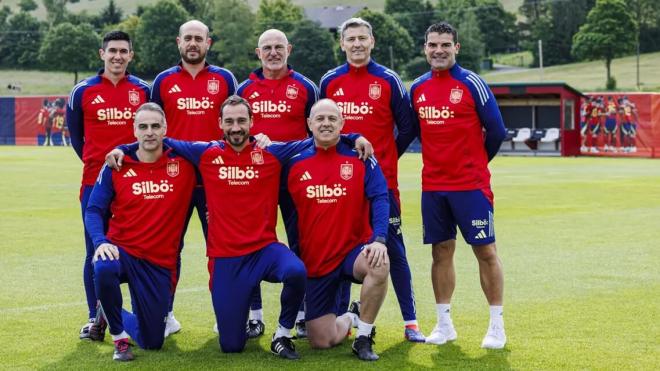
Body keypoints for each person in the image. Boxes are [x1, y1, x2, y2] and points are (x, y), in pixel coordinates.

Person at [318, 17, 423, 342]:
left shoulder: (388, 79)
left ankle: (411, 322)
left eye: (363, 38)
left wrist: (384, 159)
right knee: (338, 248)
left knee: (393, 250)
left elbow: (407, 129)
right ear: (342, 44)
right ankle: (340, 317)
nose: (357, 44)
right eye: (351, 39)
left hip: (382, 185)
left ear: (372, 41)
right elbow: (323, 126)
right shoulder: (330, 81)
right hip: (339, 185)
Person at [409, 22, 507, 349]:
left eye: (445, 45)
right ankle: (444, 324)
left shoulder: (471, 83)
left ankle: (496, 325)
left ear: (456, 48)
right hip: (433, 187)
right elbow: (410, 133)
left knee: (485, 251)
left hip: (471, 186)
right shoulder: (418, 88)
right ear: (425, 48)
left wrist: (477, 164)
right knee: (441, 252)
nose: (439, 50)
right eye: (433, 44)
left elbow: (496, 131)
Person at [269, 98, 391, 361]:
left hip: (353, 251)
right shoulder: (292, 159)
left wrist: (379, 239)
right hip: (316, 259)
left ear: (342, 124)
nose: (326, 123)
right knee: (321, 341)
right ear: (309, 124)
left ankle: (364, 337)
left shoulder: (360, 155)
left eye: (332, 119)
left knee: (379, 263)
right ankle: (351, 316)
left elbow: (380, 196)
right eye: (320, 119)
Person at [84, 103, 195, 361]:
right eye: (143, 126)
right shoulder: (116, 165)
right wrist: (100, 242)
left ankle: (107, 309)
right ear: (134, 130)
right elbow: (93, 210)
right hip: (122, 251)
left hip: (157, 263)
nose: (149, 132)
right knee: (103, 266)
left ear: (165, 128)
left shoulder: (185, 165)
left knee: (152, 341)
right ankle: (120, 339)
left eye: (155, 126)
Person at [150, 20, 238, 335]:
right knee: (167, 248)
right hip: (173, 180)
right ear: (178, 42)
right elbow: (150, 128)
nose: (193, 43)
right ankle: (164, 315)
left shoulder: (225, 79)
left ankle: (226, 314)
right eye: (188, 38)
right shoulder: (162, 81)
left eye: (198, 39)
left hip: (216, 182)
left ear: (208, 43)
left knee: (222, 249)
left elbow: (237, 126)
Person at [67, 30, 150, 340]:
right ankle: (95, 318)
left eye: (123, 51)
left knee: (141, 249)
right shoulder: (82, 91)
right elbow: (77, 139)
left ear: (131, 55)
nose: (117, 56)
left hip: (137, 187)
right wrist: (97, 165)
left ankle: (150, 311)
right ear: (101, 54)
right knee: (96, 251)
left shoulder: (143, 90)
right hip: (94, 184)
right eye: (112, 50)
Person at [236, 28, 318, 338]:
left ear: (289, 49)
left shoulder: (306, 87)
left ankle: (301, 313)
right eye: (267, 47)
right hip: (256, 181)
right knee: (252, 243)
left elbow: (321, 130)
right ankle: (255, 315)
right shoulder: (244, 89)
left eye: (278, 47)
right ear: (258, 53)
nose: (273, 52)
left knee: (301, 244)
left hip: (298, 180)